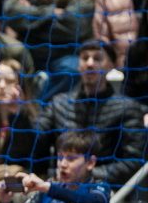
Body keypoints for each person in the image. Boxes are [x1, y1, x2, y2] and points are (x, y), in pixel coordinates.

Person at [36, 40, 146, 187]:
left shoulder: (127, 108)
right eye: (85, 57)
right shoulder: (59, 103)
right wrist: (19, 113)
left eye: (97, 58)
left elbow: (134, 162)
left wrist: (85, 174)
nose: (90, 63)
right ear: (78, 65)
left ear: (111, 65)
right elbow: (35, 143)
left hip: (105, 192)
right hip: (58, 185)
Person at [17, 130, 111, 203]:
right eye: (60, 157)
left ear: (90, 163)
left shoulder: (100, 187)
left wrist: (48, 188)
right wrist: (5, 202)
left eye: (71, 159)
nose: (63, 164)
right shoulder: (48, 189)